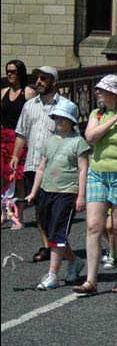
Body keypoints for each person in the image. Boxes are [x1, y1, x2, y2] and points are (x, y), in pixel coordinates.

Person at [72, 74, 117, 296]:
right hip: (97, 174)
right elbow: (90, 136)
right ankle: (91, 280)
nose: (97, 93)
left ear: (114, 93)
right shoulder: (97, 114)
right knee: (93, 226)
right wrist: (113, 119)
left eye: (101, 90)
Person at [25, 100, 89, 290]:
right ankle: (75, 262)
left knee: (58, 233)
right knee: (50, 230)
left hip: (67, 192)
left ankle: (52, 275)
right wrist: (33, 192)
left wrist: (81, 196)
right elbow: (41, 168)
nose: (59, 121)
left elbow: (83, 170)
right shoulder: (50, 141)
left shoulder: (79, 142)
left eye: (63, 118)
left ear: (71, 121)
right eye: (56, 118)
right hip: (47, 191)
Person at [11, 66, 67, 262]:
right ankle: (46, 245)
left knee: (55, 208)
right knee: (39, 208)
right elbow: (21, 132)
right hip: (33, 163)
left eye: (44, 78)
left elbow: (73, 136)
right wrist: (16, 155)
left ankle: (58, 244)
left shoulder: (65, 106)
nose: (39, 81)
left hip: (57, 165)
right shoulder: (29, 105)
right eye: (38, 78)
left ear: (54, 82)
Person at [1, 60, 36, 227]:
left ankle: (19, 215)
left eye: (13, 71)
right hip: (4, 138)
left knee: (19, 178)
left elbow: (34, 114)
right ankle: (4, 213)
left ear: (20, 73)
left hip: (21, 137)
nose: (10, 74)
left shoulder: (28, 92)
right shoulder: (3, 92)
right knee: (3, 177)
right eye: (8, 71)